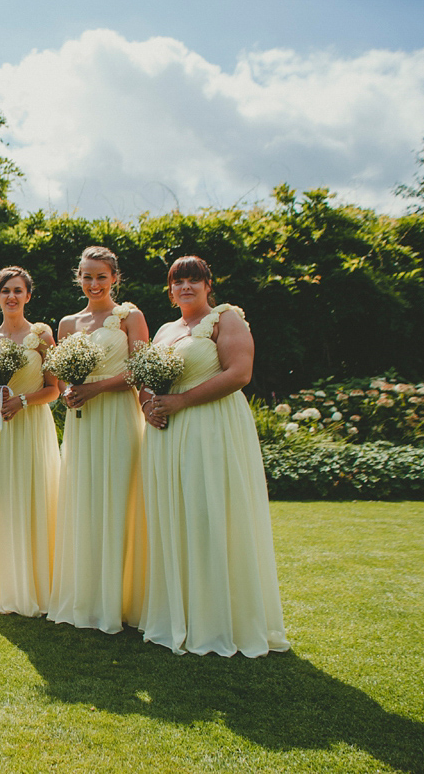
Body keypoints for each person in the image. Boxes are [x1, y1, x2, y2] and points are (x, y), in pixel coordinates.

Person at [139, 255, 289, 656]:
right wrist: (147, 406)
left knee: (210, 515)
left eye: (194, 280)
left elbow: (239, 373)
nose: (185, 287)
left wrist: (182, 400)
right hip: (167, 434)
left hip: (210, 428)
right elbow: (145, 377)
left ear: (208, 285)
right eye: (178, 281)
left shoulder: (226, 319)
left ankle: (220, 620)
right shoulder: (166, 329)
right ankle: (181, 614)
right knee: (176, 516)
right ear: (170, 290)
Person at [47, 246, 148, 635]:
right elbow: (58, 375)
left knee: (119, 499)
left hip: (119, 416)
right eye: (87, 277)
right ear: (79, 278)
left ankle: (117, 601)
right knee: (84, 499)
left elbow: (141, 368)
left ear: (114, 278)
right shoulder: (68, 323)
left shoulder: (129, 316)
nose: (93, 284)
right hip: (82, 423)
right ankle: (86, 597)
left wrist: (97, 388)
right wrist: (71, 389)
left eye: (101, 277)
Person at [0, 266, 61, 616]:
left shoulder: (41, 335)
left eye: (18, 290)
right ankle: (3, 582)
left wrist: (21, 401)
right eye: (5, 291)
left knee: (36, 495)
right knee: (1, 499)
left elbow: (54, 390)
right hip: (0, 429)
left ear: (28, 296)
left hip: (32, 424)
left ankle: (37, 583)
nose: (11, 296)